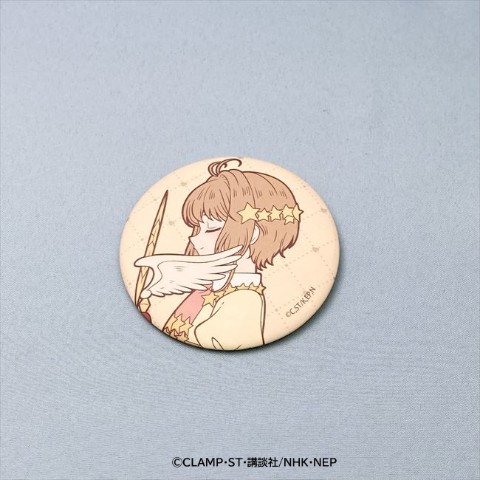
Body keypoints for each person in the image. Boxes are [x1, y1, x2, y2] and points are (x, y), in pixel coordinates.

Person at [135, 158, 302, 350]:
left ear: (254, 233)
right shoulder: (208, 289)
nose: (195, 240)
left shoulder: (244, 301)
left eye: (212, 229)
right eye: (197, 228)